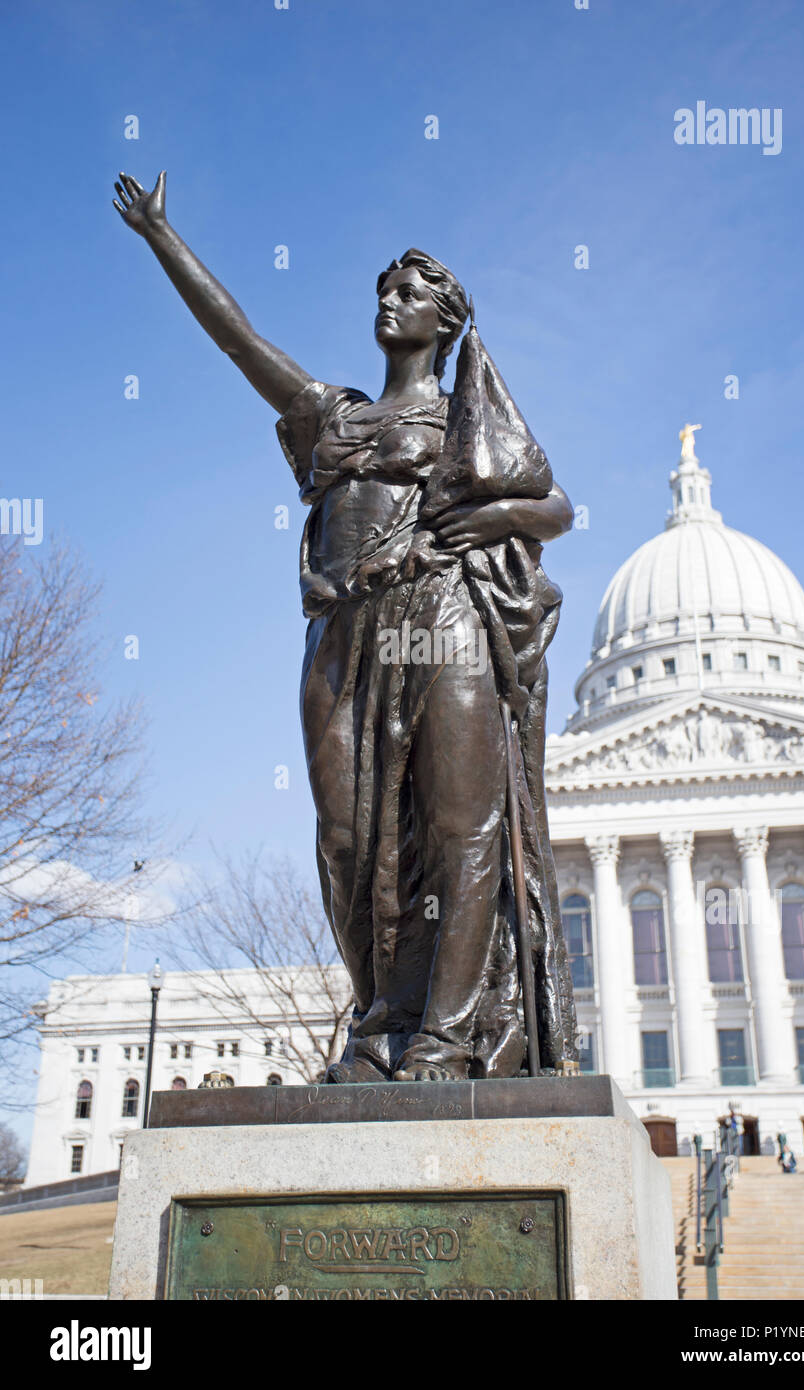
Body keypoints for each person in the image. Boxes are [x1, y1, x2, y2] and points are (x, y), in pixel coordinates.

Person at [113, 171, 577, 1083]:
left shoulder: (466, 419)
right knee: (348, 837)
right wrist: (162, 238)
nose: (389, 302)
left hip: (442, 617)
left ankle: (445, 1035)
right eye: (384, 290)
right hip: (343, 632)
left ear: (445, 322)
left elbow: (553, 504)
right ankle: (381, 1019)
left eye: (410, 294)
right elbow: (241, 341)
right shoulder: (334, 414)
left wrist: (492, 521)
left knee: (459, 825)